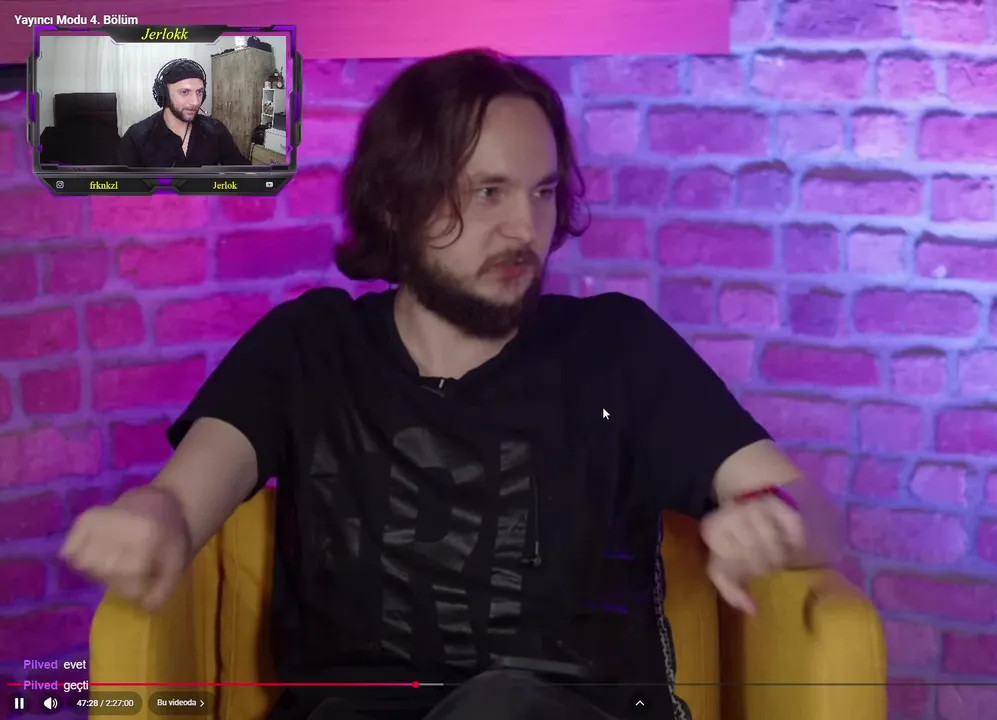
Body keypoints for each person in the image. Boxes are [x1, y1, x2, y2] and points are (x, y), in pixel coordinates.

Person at [61, 49, 845, 720]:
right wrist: (153, 519)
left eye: (543, 192)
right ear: (396, 203)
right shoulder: (310, 348)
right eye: (487, 192)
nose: (524, 229)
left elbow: (804, 508)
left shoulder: (617, 347)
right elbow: (183, 497)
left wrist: (770, 520)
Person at [116, 58, 249, 167]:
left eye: (199, 92)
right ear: (164, 95)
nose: (195, 102)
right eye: (185, 92)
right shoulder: (137, 137)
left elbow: (241, 171)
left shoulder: (216, 130)